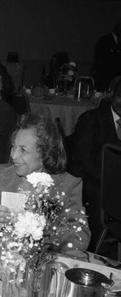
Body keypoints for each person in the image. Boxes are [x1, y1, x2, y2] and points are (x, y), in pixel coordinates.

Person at [0, 113, 91, 250]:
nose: (13, 155)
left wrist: (44, 229)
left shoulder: (67, 185)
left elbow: (80, 236)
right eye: (13, 146)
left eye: (23, 150)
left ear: (44, 154)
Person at [69, 80, 121, 250]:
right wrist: (110, 181)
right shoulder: (91, 120)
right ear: (113, 96)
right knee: (104, 197)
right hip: (93, 179)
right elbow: (83, 161)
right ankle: (94, 248)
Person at [91, 20, 121, 92]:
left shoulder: (119, 43)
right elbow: (100, 61)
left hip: (117, 81)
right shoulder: (104, 40)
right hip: (104, 79)